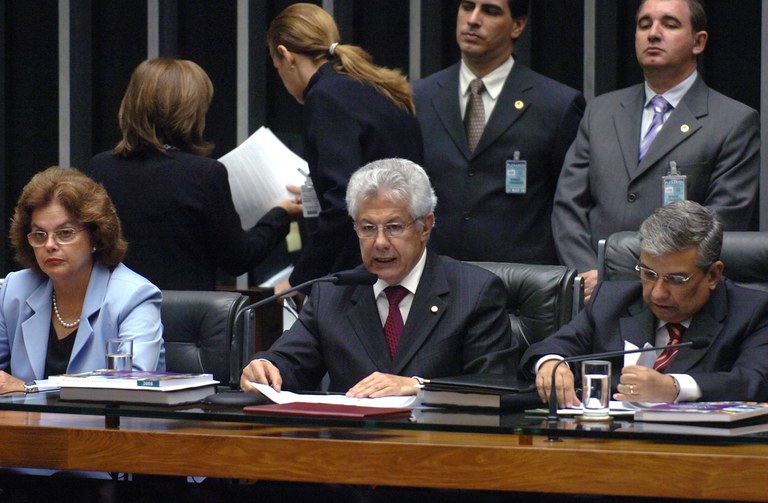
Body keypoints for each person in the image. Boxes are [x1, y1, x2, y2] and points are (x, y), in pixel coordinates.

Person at [241, 158, 515, 397]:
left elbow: (496, 387)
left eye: (394, 227)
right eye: (368, 228)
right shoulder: (332, 293)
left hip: (440, 447)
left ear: (425, 227)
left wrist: (418, 386)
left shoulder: (474, 292)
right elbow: (290, 362)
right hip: (352, 447)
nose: (380, 242)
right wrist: (267, 367)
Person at [552, 0, 760, 301]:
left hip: (676, 296)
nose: (653, 33)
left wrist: (634, 277)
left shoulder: (733, 121)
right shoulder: (600, 111)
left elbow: (721, 221)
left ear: (698, 42)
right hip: (593, 295)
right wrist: (587, 273)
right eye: (644, 24)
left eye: (670, 24)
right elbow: (568, 207)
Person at [521, 200, 768, 406]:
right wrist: (551, 363)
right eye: (649, 274)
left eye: (676, 279)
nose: (658, 293)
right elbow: (552, 346)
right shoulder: (611, 300)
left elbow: (755, 381)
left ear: (713, 275)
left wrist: (674, 387)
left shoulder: (752, 311)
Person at [85, 58, 302, 291]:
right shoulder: (204, 174)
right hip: (183, 317)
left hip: (115, 316)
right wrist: (281, 214)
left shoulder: (99, 168)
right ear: (190, 113)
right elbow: (239, 258)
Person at [266, 3, 423, 296]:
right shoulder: (373, 87)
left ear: (286, 56)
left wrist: (302, 277)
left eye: (277, 68)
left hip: (363, 270)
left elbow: (343, 203)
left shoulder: (325, 97)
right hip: (407, 257)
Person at [412, 0, 584, 265]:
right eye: (468, 7)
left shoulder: (556, 105)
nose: (473, 19)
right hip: (435, 275)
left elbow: (569, 204)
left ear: (517, 25)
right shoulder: (418, 98)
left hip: (520, 283)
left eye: (490, 11)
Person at [0, 166, 164, 393]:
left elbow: (133, 385)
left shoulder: (133, 297)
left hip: (109, 427)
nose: (49, 245)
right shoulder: (14, 290)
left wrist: (31, 389)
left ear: (95, 237)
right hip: (25, 428)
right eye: (39, 234)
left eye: (65, 233)